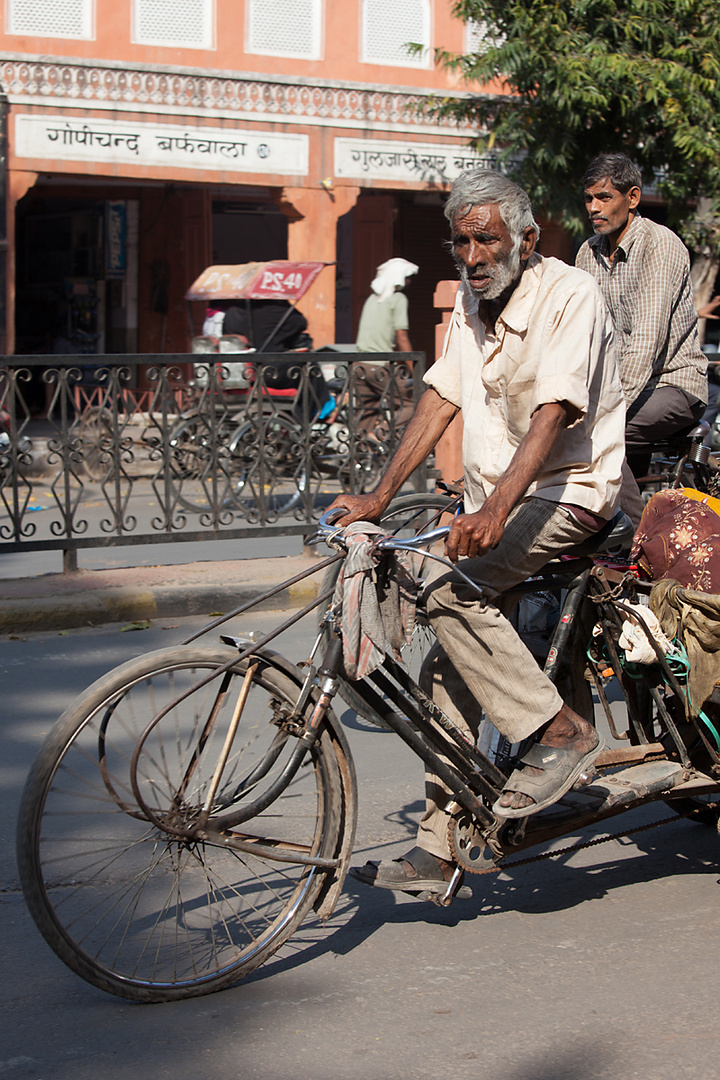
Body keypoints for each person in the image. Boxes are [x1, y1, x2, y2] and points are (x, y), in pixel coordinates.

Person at [329, 169, 626, 895]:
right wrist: (379, 494)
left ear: (526, 239)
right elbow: (441, 395)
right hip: (500, 497)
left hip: (571, 492)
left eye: (486, 238)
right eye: (461, 241)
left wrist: (493, 513)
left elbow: (556, 410)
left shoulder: (571, 295)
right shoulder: (473, 299)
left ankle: (561, 733)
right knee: (444, 667)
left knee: (448, 593)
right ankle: (440, 847)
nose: (473, 254)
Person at [575, 153, 708, 525]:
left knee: (600, 436)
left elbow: (647, 339)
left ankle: (647, 544)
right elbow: (580, 331)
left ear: (632, 198)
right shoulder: (587, 253)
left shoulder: (659, 244)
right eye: (589, 199)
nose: (594, 208)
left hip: (673, 383)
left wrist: (606, 408)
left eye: (604, 197)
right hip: (623, 389)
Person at [223, 299, 332, 418]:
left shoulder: (231, 312)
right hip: (272, 372)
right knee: (309, 366)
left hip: (240, 374)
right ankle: (316, 411)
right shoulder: (277, 309)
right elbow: (300, 322)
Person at [354, 258, 419, 436]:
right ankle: (379, 433)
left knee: (366, 411)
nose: (409, 282)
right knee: (413, 404)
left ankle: (360, 452)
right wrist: (415, 370)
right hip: (378, 366)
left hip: (359, 365)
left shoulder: (371, 299)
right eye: (407, 278)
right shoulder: (398, 299)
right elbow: (402, 338)